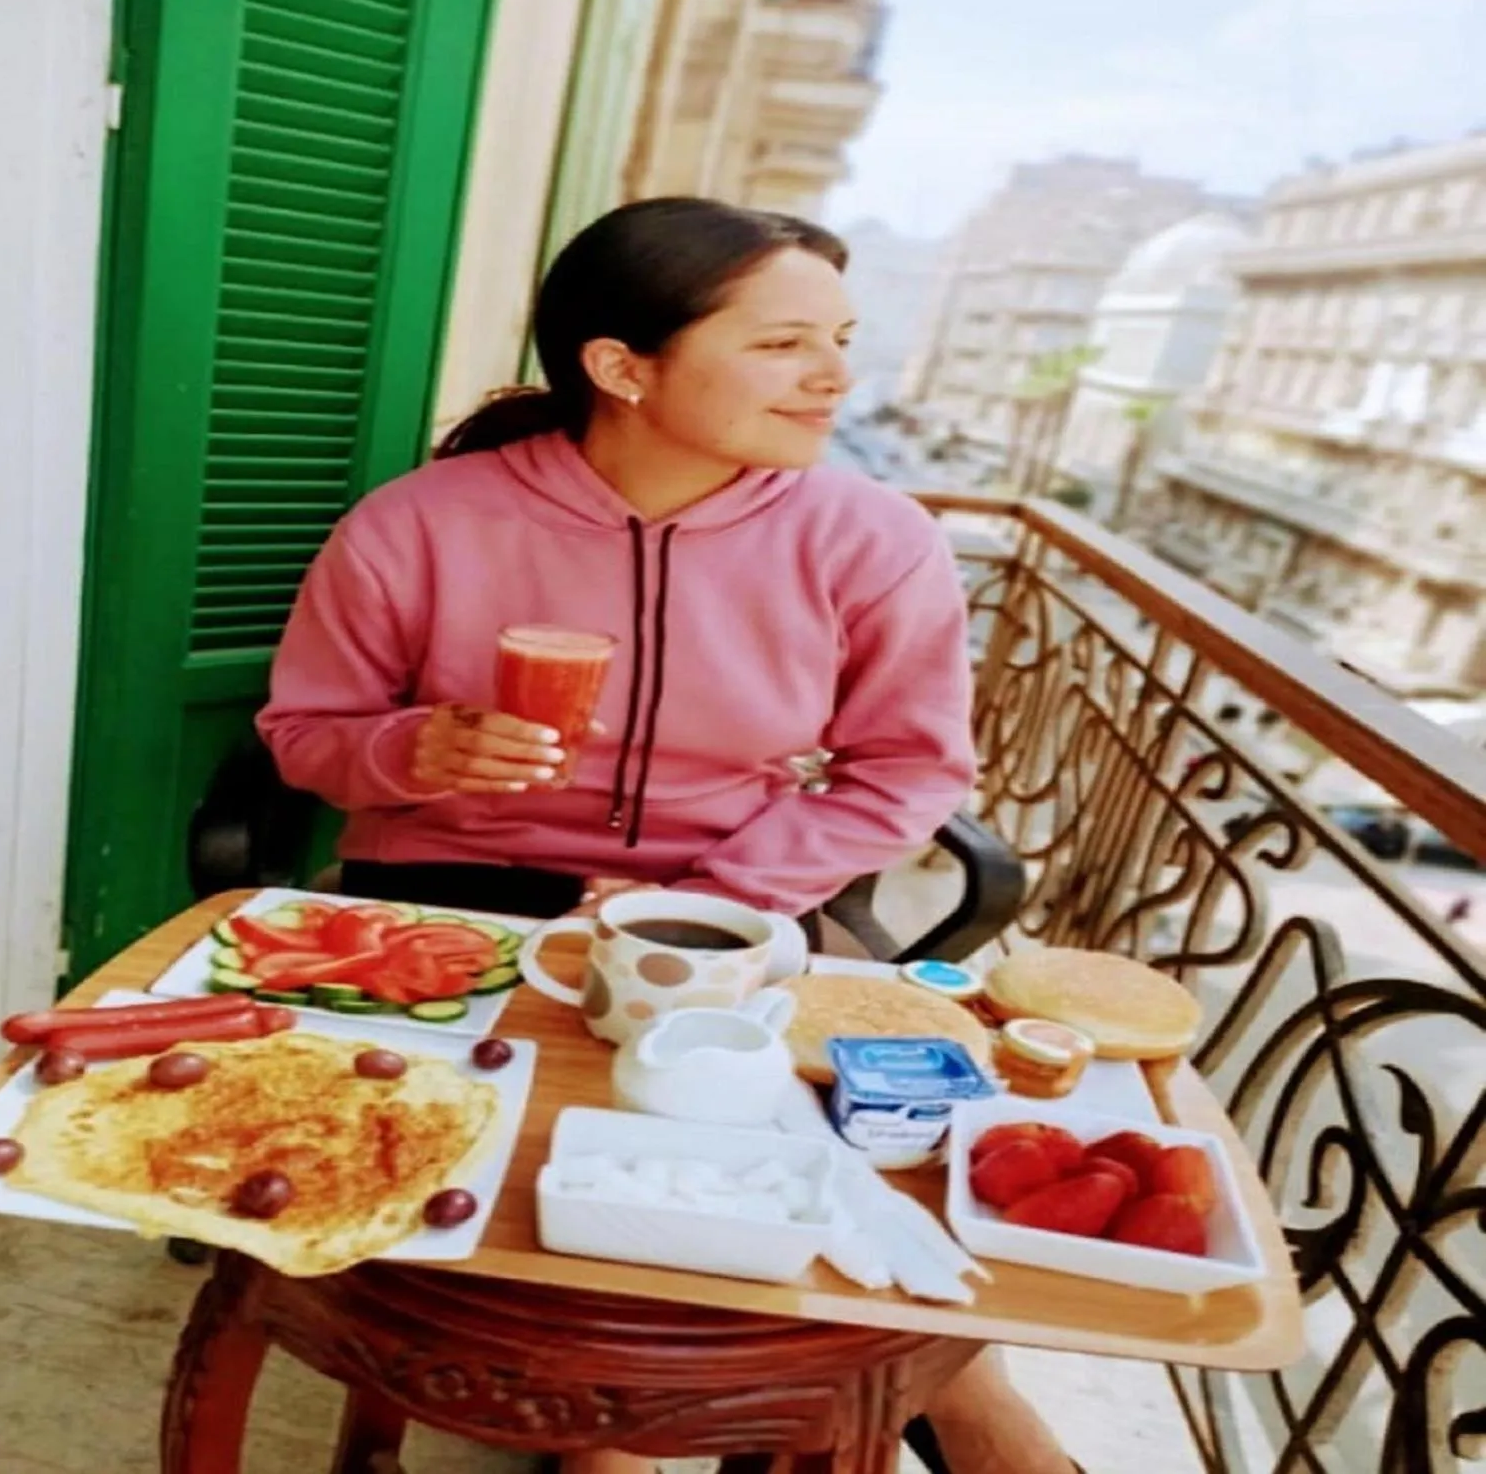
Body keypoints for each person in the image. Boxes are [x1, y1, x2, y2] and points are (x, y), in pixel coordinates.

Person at [257, 197, 1077, 1474]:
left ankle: (954, 1397)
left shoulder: (871, 539)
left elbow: (908, 768)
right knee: (528, 1167)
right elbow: (304, 732)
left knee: (849, 1163)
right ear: (621, 367)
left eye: (841, 339)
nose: (832, 378)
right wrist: (405, 750)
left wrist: (719, 894)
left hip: (737, 899)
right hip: (455, 898)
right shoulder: (422, 522)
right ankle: (612, 1430)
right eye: (781, 344)